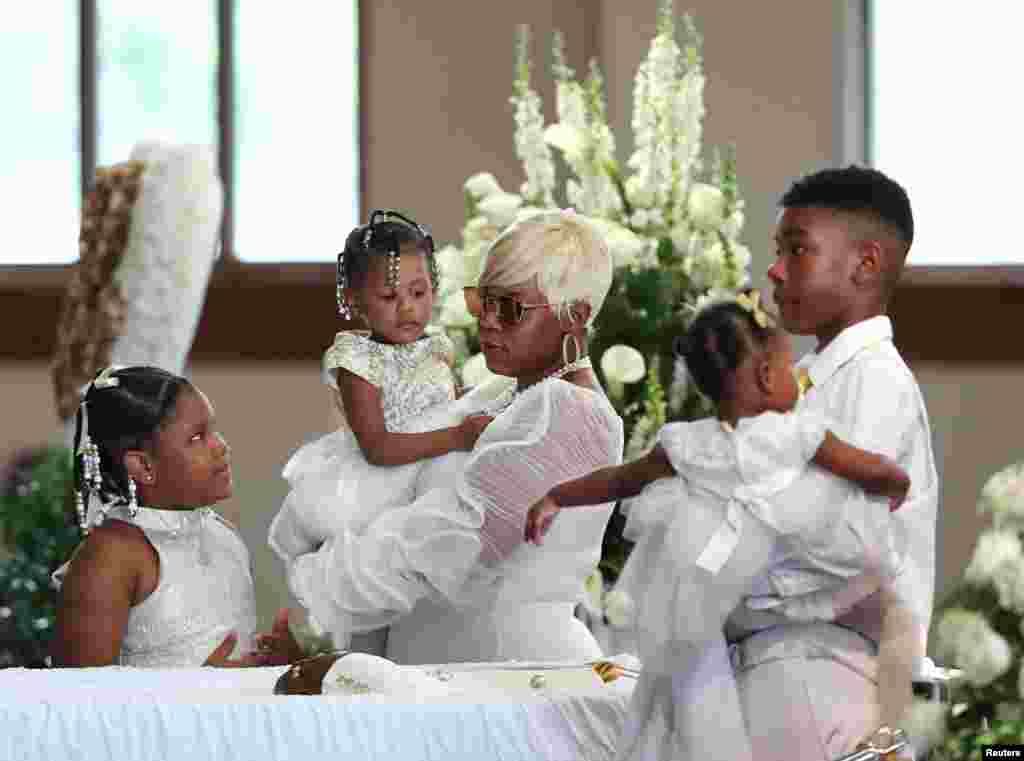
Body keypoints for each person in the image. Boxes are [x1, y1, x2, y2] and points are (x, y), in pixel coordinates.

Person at [525, 295, 908, 761]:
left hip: (702, 580)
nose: (797, 379)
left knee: (686, 675)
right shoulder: (799, 433)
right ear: (768, 376)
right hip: (775, 572)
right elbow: (870, 469)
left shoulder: (688, 444)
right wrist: (895, 487)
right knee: (875, 595)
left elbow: (618, 479)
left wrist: (557, 496)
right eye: (791, 368)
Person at [283, 209, 624, 665]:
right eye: (481, 301)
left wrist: (311, 573)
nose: (486, 321)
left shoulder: (573, 414)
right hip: (446, 674)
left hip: (511, 675)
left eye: (509, 308)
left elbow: (449, 544)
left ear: (575, 315)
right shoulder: (495, 395)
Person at [725, 166, 939, 761]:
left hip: (820, 676)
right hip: (786, 671)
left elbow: (836, 553)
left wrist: (717, 587)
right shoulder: (816, 385)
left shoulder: (874, 381)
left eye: (796, 250)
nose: (774, 270)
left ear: (865, 264)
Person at [268, 209, 492, 566]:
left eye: (419, 292)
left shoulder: (436, 347)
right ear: (355, 300)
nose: (407, 308)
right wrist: (459, 437)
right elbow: (377, 447)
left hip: (438, 472)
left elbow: (450, 404)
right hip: (382, 487)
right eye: (389, 297)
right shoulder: (358, 361)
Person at [51, 365, 301, 668]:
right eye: (197, 438)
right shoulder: (112, 555)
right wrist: (196, 686)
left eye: (214, 430)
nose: (221, 446)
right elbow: (78, 699)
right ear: (143, 467)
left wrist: (276, 665)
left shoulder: (225, 536)